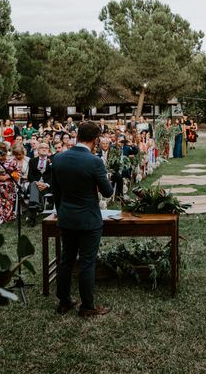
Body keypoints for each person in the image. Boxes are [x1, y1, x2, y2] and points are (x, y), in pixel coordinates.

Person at [52, 121, 114, 317]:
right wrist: (105, 177)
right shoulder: (95, 162)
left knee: (66, 259)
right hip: (88, 219)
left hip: (66, 217)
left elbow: (56, 192)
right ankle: (87, 306)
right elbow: (107, 191)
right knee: (87, 262)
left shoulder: (59, 158)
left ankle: (64, 301)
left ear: (77, 136)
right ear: (95, 140)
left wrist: (62, 212)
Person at [27, 142, 53, 224]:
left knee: (34, 190)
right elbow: (30, 175)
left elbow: (54, 175)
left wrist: (46, 184)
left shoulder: (52, 160)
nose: (44, 149)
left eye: (46, 147)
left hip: (48, 186)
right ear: (38, 150)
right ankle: (36, 207)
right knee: (34, 186)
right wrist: (36, 182)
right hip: (35, 184)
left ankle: (32, 215)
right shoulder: (32, 161)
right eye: (42, 147)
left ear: (48, 150)